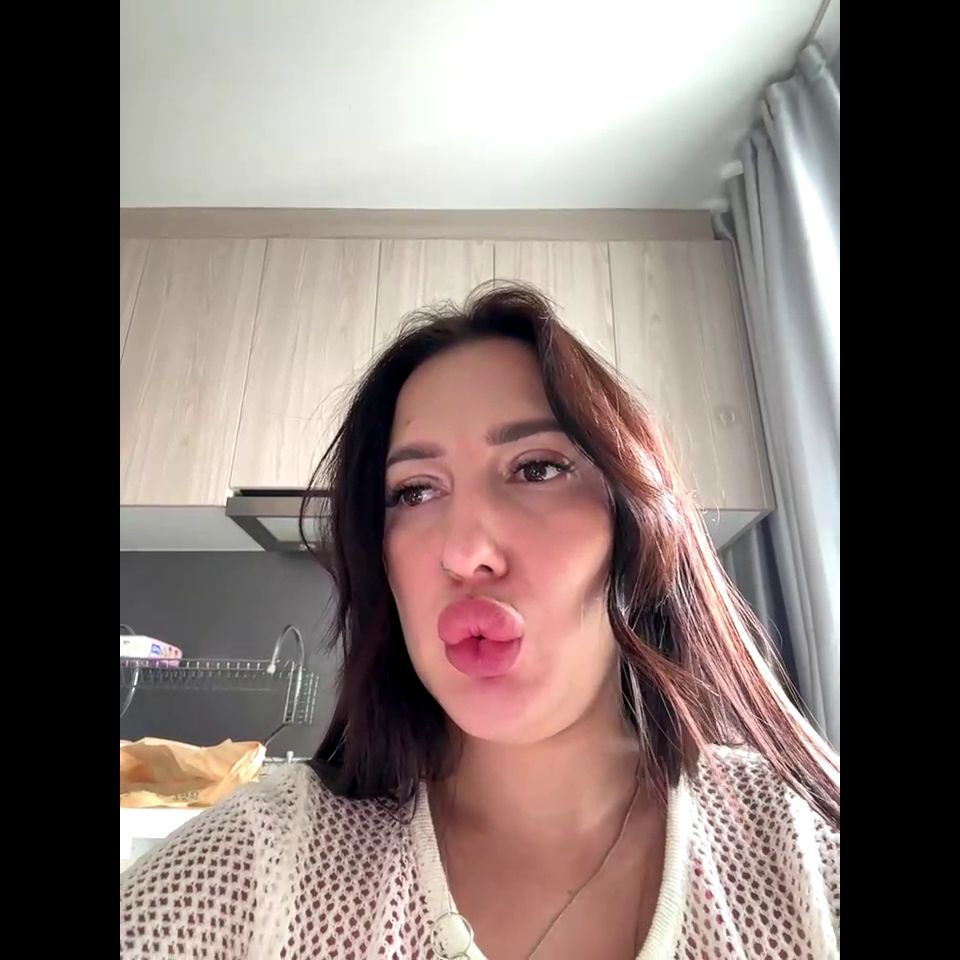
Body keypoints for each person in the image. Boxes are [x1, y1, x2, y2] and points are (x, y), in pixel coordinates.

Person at [120, 283, 839, 959]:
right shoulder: (250, 874)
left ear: (635, 526)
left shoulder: (805, 850)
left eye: (536, 468)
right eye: (414, 490)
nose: (465, 553)